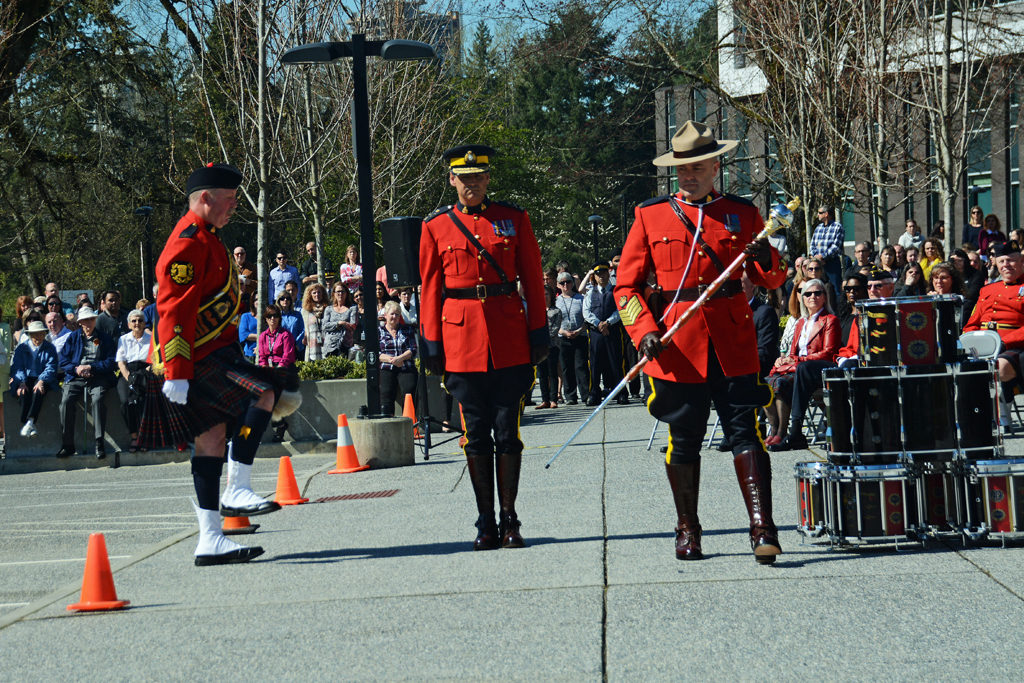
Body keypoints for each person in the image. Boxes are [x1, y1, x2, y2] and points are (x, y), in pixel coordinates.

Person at [614, 120, 787, 564]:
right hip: (677, 342)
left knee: (744, 432)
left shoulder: (743, 213)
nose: (687, 175)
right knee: (684, 438)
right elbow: (626, 287)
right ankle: (687, 528)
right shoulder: (650, 214)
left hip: (731, 341)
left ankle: (762, 528)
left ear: (716, 166)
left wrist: (767, 254)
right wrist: (644, 329)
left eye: (696, 166)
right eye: (681, 168)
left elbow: (770, 278)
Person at [139, 163, 301, 567]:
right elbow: (173, 310)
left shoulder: (209, 237)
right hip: (194, 357)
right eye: (229, 200)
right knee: (264, 392)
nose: (233, 208)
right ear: (207, 198)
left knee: (211, 438)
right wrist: (175, 372)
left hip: (214, 351)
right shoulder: (188, 243)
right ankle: (237, 488)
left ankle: (211, 538)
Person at [419, 143, 547, 551]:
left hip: (509, 339)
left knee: (507, 431)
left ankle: (510, 519)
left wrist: (538, 330)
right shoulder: (436, 226)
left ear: (488, 178)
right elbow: (430, 289)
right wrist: (431, 341)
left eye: (478, 177)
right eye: (463, 177)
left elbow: (532, 276)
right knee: (475, 435)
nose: (471, 184)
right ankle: (485, 521)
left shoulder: (513, 219)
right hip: (460, 340)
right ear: (451, 179)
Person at [771, 268, 896, 451]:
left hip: (865, 365)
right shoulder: (852, 315)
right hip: (842, 362)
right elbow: (847, 348)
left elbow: (835, 350)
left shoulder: (892, 310)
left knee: (822, 371)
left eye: (877, 286)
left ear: (891, 288)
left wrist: (845, 358)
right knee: (798, 372)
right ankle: (793, 432)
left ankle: (841, 435)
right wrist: (787, 360)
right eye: (869, 286)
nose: (871, 290)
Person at [764, 279, 840, 446]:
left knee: (788, 379)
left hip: (818, 368)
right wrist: (784, 359)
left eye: (817, 293)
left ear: (825, 297)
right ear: (803, 299)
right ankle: (776, 430)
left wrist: (798, 360)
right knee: (767, 383)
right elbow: (792, 351)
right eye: (807, 293)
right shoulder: (800, 323)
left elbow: (828, 353)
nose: (812, 296)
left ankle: (788, 432)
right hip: (798, 367)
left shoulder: (830, 320)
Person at [963, 241, 1024, 407]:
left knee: (1001, 365)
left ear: (1021, 262)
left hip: (1012, 346)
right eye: (1002, 261)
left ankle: (1004, 404)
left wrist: (1004, 343)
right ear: (996, 263)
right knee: (958, 366)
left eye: (1011, 260)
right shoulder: (987, 289)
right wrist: (966, 341)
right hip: (981, 346)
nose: (1006, 265)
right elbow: (973, 322)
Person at [56, 307, 116, 458]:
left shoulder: (105, 338)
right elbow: (63, 360)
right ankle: (67, 445)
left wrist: (92, 367)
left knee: (98, 399)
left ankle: (99, 442)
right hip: (76, 377)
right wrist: (76, 369)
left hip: (98, 376)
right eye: (85, 320)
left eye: (91, 319)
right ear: (80, 322)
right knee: (66, 401)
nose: (88, 323)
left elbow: (110, 362)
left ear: (95, 320)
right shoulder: (73, 337)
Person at [583, 261, 628, 406]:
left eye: (603, 273)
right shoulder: (590, 293)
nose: (601, 277)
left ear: (608, 274)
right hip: (596, 333)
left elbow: (620, 310)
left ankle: (621, 393)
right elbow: (586, 312)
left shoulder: (616, 291)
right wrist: (598, 324)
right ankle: (594, 394)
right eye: (598, 274)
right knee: (594, 364)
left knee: (617, 363)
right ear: (594, 277)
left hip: (613, 331)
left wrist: (608, 322)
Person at [9, 320, 59, 438]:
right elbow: (17, 366)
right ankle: (30, 425)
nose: (38, 336)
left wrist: (41, 380)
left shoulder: (50, 347)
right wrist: (21, 382)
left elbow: (51, 367)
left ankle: (29, 422)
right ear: (30, 335)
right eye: (35, 333)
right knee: (23, 392)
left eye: (41, 333)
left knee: (38, 391)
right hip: (26, 377)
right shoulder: (22, 348)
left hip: (43, 378)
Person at [257, 304, 297, 442]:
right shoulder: (263, 336)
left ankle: (279, 425)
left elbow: (288, 356)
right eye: (269, 316)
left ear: (279, 318)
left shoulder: (285, 335)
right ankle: (279, 424)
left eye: (275, 316)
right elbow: (261, 357)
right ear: (265, 319)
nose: (272, 319)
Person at [115, 309, 151, 452]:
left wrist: (141, 375)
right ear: (129, 324)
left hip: (146, 372)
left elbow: (154, 362)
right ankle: (134, 436)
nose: (137, 323)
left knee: (143, 402)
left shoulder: (151, 339)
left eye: (140, 320)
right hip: (127, 373)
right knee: (125, 402)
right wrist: (129, 377)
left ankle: (144, 437)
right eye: (134, 321)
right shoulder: (123, 339)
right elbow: (121, 363)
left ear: (144, 323)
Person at [555, 271, 589, 405]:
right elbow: (552, 323)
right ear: (558, 285)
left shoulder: (581, 299)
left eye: (568, 282)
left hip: (580, 335)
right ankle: (570, 396)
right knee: (566, 367)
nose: (565, 285)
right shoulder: (556, 301)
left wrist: (579, 330)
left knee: (581, 366)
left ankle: (586, 394)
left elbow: (587, 319)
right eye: (562, 283)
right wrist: (563, 332)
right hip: (563, 338)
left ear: (572, 283)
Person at [378, 300, 417, 416]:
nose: (395, 317)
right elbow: (376, 353)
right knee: (386, 393)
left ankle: (410, 422)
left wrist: (400, 358)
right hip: (387, 366)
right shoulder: (379, 331)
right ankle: (389, 423)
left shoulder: (407, 330)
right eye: (392, 314)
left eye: (397, 314)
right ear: (385, 315)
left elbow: (413, 349)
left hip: (405, 365)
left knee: (409, 391)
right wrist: (392, 360)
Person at [535, 286, 563, 409]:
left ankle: (553, 399)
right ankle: (544, 399)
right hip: (539, 346)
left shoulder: (556, 311)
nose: (545, 296)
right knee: (542, 374)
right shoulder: (537, 311)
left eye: (547, 294)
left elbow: (555, 329)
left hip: (552, 345)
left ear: (551, 296)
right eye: (543, 294)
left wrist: (544, 338)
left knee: (552, 372)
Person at [809, 205, 845, 294]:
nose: (818, 215)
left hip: (832, 264)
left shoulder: (838, 227)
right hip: (817, 265)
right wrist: (816, 258)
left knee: (835, 289)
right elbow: (812, 245)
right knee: (818, 288)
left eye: (820, 213)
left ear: (826, 214)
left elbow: (836, 246)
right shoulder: (818, 228)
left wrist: (823, 257)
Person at [323, 283, 356, 357]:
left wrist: (332, 326)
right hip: (330, 346)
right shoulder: (328, 309)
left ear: (347, 293)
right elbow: (325, 326)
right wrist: (339, 323)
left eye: (342, 291)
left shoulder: (352, 308)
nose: (340, 293)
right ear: (334, 293)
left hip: (345, 345)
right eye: (338, 291)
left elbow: (352, 326)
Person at [300, 283, 329, 361]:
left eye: (319, 292)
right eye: (314, 293)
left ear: (323, 294)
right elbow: (306, 328)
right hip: (312, 346)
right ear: (310, 295)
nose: (317, 294)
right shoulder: (305, 311)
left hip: (326, 344)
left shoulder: (328, 309)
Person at [837, 273, 868, 343]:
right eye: (848, 289)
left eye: (856, 289)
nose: (851, 291)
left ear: (864, 290)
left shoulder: (868, 314)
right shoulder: (842, 314)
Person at [276, 290, 305, 358]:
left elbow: (303, 330)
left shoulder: (297, 314)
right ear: (279, 301)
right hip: (280, 348)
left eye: (288, 298)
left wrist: (296, 343)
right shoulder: (276, 315)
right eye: (282, 298)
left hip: (296, 348)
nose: (285, 300)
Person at [0, 303, 10, 440]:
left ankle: (5, 436)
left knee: (2, 404)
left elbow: (6, 350)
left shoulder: (5, 327)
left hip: (1, 370)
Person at [238, 298, 258, 363]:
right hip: (250, 353)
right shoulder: (246, 316)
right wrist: (263, 337)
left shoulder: (269, 317)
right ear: (252, 302)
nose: (258, 301)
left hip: (267, 354)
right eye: (256, 299)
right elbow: (243, 335)